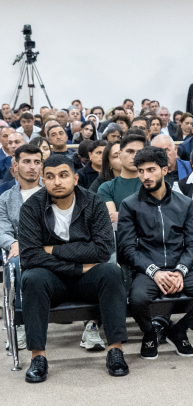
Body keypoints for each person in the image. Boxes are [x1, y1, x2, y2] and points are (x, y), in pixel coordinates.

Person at [19, 154, 130, 382]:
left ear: (75, 178)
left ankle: (115, 350)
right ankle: (38, 357)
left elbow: (102, 249)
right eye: (50, 177)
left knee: (111, 271)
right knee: (32, 277)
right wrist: (78, 267)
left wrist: (51, 250)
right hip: (52, 278)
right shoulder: (31, 207)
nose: (57, 182)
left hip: (87, 278)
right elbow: (29, 255)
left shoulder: (94, 202)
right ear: (43, 179)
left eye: (63, 175)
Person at [117, 146, 193, 360]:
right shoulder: (130, 205)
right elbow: (127, 248)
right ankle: (149, 333)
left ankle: (179, 330)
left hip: (179, 268)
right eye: (141, 171)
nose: (145, 176)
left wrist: (180, 271)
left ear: (165, 170)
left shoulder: (184, 203)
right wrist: (154, 271)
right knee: (137, 299)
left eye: (151, 169)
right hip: (147, 271)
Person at [0, 144, 45, 352]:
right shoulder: (6, 199)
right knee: (16, 263)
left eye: (37, 162)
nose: (32, 167)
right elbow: (3, 230)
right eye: (26, 162)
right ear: (15, 166)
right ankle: (20, 322)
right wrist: (13, 243)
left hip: (53, 247)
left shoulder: (53, 190)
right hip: (23, 251)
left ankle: (90, 323)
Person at [98, 134, 146, 224]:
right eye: (130, 151)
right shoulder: (106, 188)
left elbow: (158, 217)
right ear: (119, 154)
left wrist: (121, 216)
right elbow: (113, 222)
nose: (135, 156)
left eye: (139, 152)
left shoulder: (152, 183)